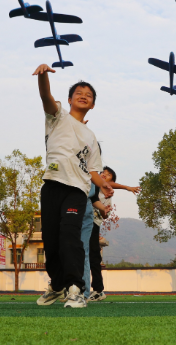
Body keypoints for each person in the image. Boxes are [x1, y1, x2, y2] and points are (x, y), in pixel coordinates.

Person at [33, 64, 113, 309]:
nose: (83, 96)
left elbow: (92, 171)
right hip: (52, 186)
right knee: (52, 241)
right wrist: (44, 76)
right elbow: (45, 96)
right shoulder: (57, 117)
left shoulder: (91, 137)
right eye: (79, 92)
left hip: (76, 191)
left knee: (70, 238)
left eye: (88, 95)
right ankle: (57, 285)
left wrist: (104, 186)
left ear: (93, 105)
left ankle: (76, 289)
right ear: (69, 99)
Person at [87, 166, 140, 302]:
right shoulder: (90, 184)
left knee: (93, 256)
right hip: (81, 221)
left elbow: (105, 216)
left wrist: (127, 188)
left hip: (93, 224)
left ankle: (98, 290)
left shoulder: (107, 195)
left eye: (108, 174)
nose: (104, 174)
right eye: (103, 172)